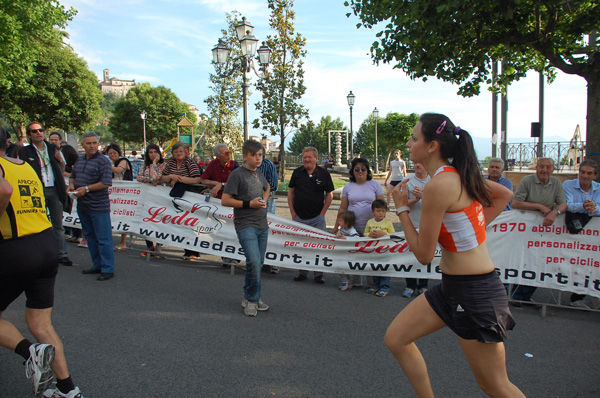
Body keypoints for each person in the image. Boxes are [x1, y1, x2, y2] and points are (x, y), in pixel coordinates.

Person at [387, 113, 523, 398]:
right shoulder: (458, 175)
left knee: (495, 385)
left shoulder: (438, 185)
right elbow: (502, 196)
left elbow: (424, 255)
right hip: (452, 288)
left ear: (433, 145)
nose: (409, 145)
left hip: (475, 291)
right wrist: (469, 232)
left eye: (414, 139)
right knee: (396, 339)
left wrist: (401, 208)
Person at [0, 127, 84, 398]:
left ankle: (29, 352)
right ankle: (67, 388)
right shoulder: (24, 165)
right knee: (41, 323)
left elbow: (3, 191)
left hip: (15, 248)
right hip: (45, 244)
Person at [222, 140, 270, 317]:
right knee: (254, 262)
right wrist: (249, 204)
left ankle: (251, 297)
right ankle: (251, 299)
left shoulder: (259, 174)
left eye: (260, 155)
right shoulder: (237, 174)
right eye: (254, 155)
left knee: (257, 263)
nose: (258, 158)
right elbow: (225, 200)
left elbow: (268, 187)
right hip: (245, 225)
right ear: (245, 156)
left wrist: (263, 199)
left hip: (262, 225)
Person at [511, 157, 567, 305]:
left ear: (553, 169)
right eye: (542, 167)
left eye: (548, 167)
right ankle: (516, 295)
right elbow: (515, 203)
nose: (545, 170)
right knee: (523, 260)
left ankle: (527, 295)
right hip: (525, 227)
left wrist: (555, 213)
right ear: (536, 168)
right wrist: (539, 206)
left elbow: (563, 203)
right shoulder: (527, 181)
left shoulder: (556, 183)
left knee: (540, 261)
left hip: (544, 229)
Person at [18, 122, 72, 267]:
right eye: (34, 131)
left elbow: (62, 168)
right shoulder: (25, 151)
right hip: (36, 190)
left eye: (40, 130)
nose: (38, 133)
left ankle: (62, 253)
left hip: (54, 189)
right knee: (37, 223)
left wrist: (60, 160)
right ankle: (38, 253)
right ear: (29, 135)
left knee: (58, 224)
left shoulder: (52, 148)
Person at [69, 131, 115, 281]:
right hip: (83, 205)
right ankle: (97, 265)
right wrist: (70, 186)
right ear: (83, 144)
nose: (92, 146)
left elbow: (106, 182)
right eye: (89, 143)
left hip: (98, 206)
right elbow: (73, 175)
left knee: (103, 238)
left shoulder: (103, 161)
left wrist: (86, 188)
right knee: (90, 237)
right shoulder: (80, 160)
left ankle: (108, 268)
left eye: (94, 143)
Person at [332, 157, 384, 287]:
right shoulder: (349, 186)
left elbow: (382, 205)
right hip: (352, 226)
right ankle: (355, 281)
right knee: (353, 253)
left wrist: (382, 224)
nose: (360, 171)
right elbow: (343, 208)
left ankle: (373, 283)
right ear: (353, 172)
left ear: (367, 170)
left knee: (371, 254)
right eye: (357, 169)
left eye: (363, 169)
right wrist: (336, 227)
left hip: (371, 226)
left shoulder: (375, 185)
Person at [288, 146, 335, 283]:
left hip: (317, 218)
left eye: (310, 157)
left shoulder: (324, 174)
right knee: (301, 246)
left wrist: (322, 214)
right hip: (299, 218)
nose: (307, 159)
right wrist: (293, 213)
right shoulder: (297, 173)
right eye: (305, 157)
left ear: (316, 158)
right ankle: (302, 272)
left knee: (319, 247)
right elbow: (291, 192)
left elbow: (329, 195)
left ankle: (318, 274)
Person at [562, 159, 600, 309]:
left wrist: (594, 208)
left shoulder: (598, 188)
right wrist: (585, 206)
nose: (585, 176)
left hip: (591, 237)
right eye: (582, 172)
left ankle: (582, 296)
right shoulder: (568, 185)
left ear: (595, 176)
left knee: (590, 264)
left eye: (589, 173)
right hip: (571, 232)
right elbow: (569, 205)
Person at [161, 142, 202, 260]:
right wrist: (171, 177)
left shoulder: (189, 162)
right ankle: (186, 250)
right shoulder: (170, 163)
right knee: (181, 223)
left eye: (180, 151)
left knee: (191, 224)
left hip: (190, 196)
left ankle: (194, 252)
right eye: (176, 152)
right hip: (177, 196)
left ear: (185, 152)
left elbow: (197, 179)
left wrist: (181, 180)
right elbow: (163, 177)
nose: (178, 154)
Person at [401, 163, 431, 298]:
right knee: (409, 256)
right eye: (416, 163)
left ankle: (423, 285)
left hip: (429, 225)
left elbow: (442, 203)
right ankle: (410, 285)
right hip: (411, 224)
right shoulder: (407, 181)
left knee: (426, 256)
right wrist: (416, 199)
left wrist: (424, 196)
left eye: (421, 162)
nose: (418, 165)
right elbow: (402, 203)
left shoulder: (434, 180)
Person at [136, 144, 166, 257]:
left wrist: (154, 165)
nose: (153, 154)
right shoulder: (144, 165)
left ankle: (158, 248)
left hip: (160, 197)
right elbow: (139, 177)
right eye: (150, 152)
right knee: (145, 221)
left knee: (159, 222)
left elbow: (158, 177)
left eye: (155, 152)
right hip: (146, 196)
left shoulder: (163, 165)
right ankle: (149, 246)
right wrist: (149, 179)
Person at [364, 199, 395, 297]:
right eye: (378, 211)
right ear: (373, 212)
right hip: (373, 250)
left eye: (383, 211)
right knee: (375, 268)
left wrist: (384, 234)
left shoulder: (388, 223)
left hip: (385, 250)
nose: (380, 213)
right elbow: (364, 233)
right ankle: (375, 285)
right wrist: (369, 234)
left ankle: (385, 287)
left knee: (384, 268)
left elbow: (393, 235)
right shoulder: (370, 222)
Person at [104, 143, 132, 251]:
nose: (112, 155)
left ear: (118, 153)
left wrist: (107, 165)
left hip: (124, 193)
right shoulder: (111, 163)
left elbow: (118, 170)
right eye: (110, 153)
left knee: (123, 215)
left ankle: (123, 241)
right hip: (112, 192)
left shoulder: (123, 161)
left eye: (114, 153)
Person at [257, 149, 280, 274]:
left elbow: (274, 185)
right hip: (251, 204)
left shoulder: (269, 165)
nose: (257, 157)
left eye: (259, 154)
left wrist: (259, 192)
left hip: (267, 202)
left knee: (267, 231)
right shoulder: (246, 168)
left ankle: (270, 262)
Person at [335, 210, 361, 291]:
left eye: (340, 220)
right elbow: (339, 235)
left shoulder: (351, 230)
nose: (338, 222)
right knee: (340, 267)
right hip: (342, 252)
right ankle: (347, 281)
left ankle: (346, 282)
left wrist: (346, 238)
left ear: (347, 222)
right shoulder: (342, 228)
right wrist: (338, 235)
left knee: (346, 268)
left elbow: (357, 238)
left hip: (349, 252)